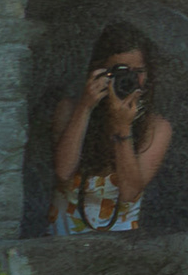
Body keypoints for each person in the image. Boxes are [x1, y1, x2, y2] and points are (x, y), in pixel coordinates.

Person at [52, 24, 174, 238]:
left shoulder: (157, 128)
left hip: (120, 246)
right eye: (122, 72)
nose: (131, 80)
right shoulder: (70, 109)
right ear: (101, 71)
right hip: (62, 237)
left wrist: (122, 129)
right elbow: (63, 172)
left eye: (139, 72)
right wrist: (85, 107)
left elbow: (129, 193)